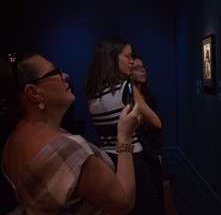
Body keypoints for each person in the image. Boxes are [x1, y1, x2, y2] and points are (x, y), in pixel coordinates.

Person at [0, 51, 141, 214]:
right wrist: (125, 136)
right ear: (33, 92)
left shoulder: (10, 146)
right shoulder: (64, 149)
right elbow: (123, 202)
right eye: (55, 72)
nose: (65, 75)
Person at [83, 37, 163, 215]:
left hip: (108, 158)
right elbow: (156, 123)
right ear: (113, 58)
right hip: (133, 157)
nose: (132, 61)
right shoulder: (126, 87)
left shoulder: (92, 91)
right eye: (128, 56)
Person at [131, 52, 163, 210]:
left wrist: (159, 152)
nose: (142, 70)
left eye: (143, 67)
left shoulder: (150, 96)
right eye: (136, 68)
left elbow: (158, 127)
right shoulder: (127, 99)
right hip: (137, 152)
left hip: (152, 150)